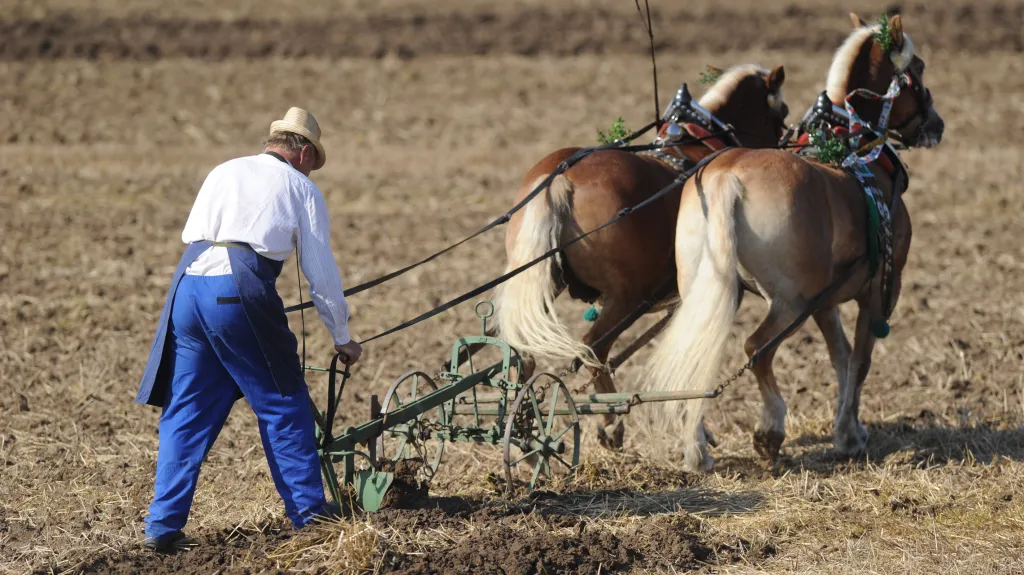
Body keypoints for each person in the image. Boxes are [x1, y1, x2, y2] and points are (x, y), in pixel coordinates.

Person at [135, 107, 362, 553]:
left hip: (188, 288)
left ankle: (162, 526)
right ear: (304, 154)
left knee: (188, 411)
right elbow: (319, 270)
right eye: (314, 161)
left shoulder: (225, 170)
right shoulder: (301, 187)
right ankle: (311, 519)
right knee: (284, 402)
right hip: (237, 291)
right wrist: (341, 334)